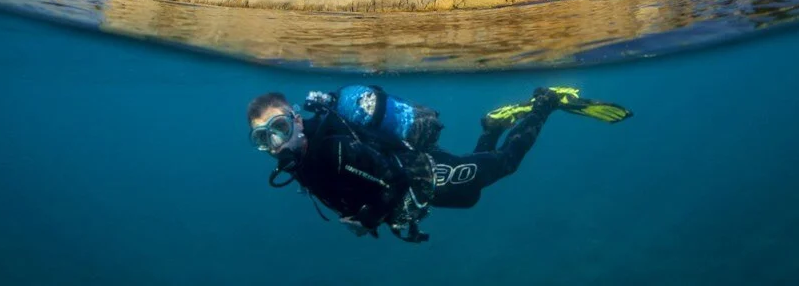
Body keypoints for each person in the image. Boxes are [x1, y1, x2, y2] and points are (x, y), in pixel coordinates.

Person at [246, 85, 631, 243]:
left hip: (424, 175)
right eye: (263, 139)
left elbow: (392, 178)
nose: (275, 144)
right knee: (471, 197)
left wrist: (366, 220)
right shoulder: (302, 162)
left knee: (505, 164)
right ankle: (493, 125)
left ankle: (546, 102)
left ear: (296, 119)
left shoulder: (332, 150)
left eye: (278, 128)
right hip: (419, 180)